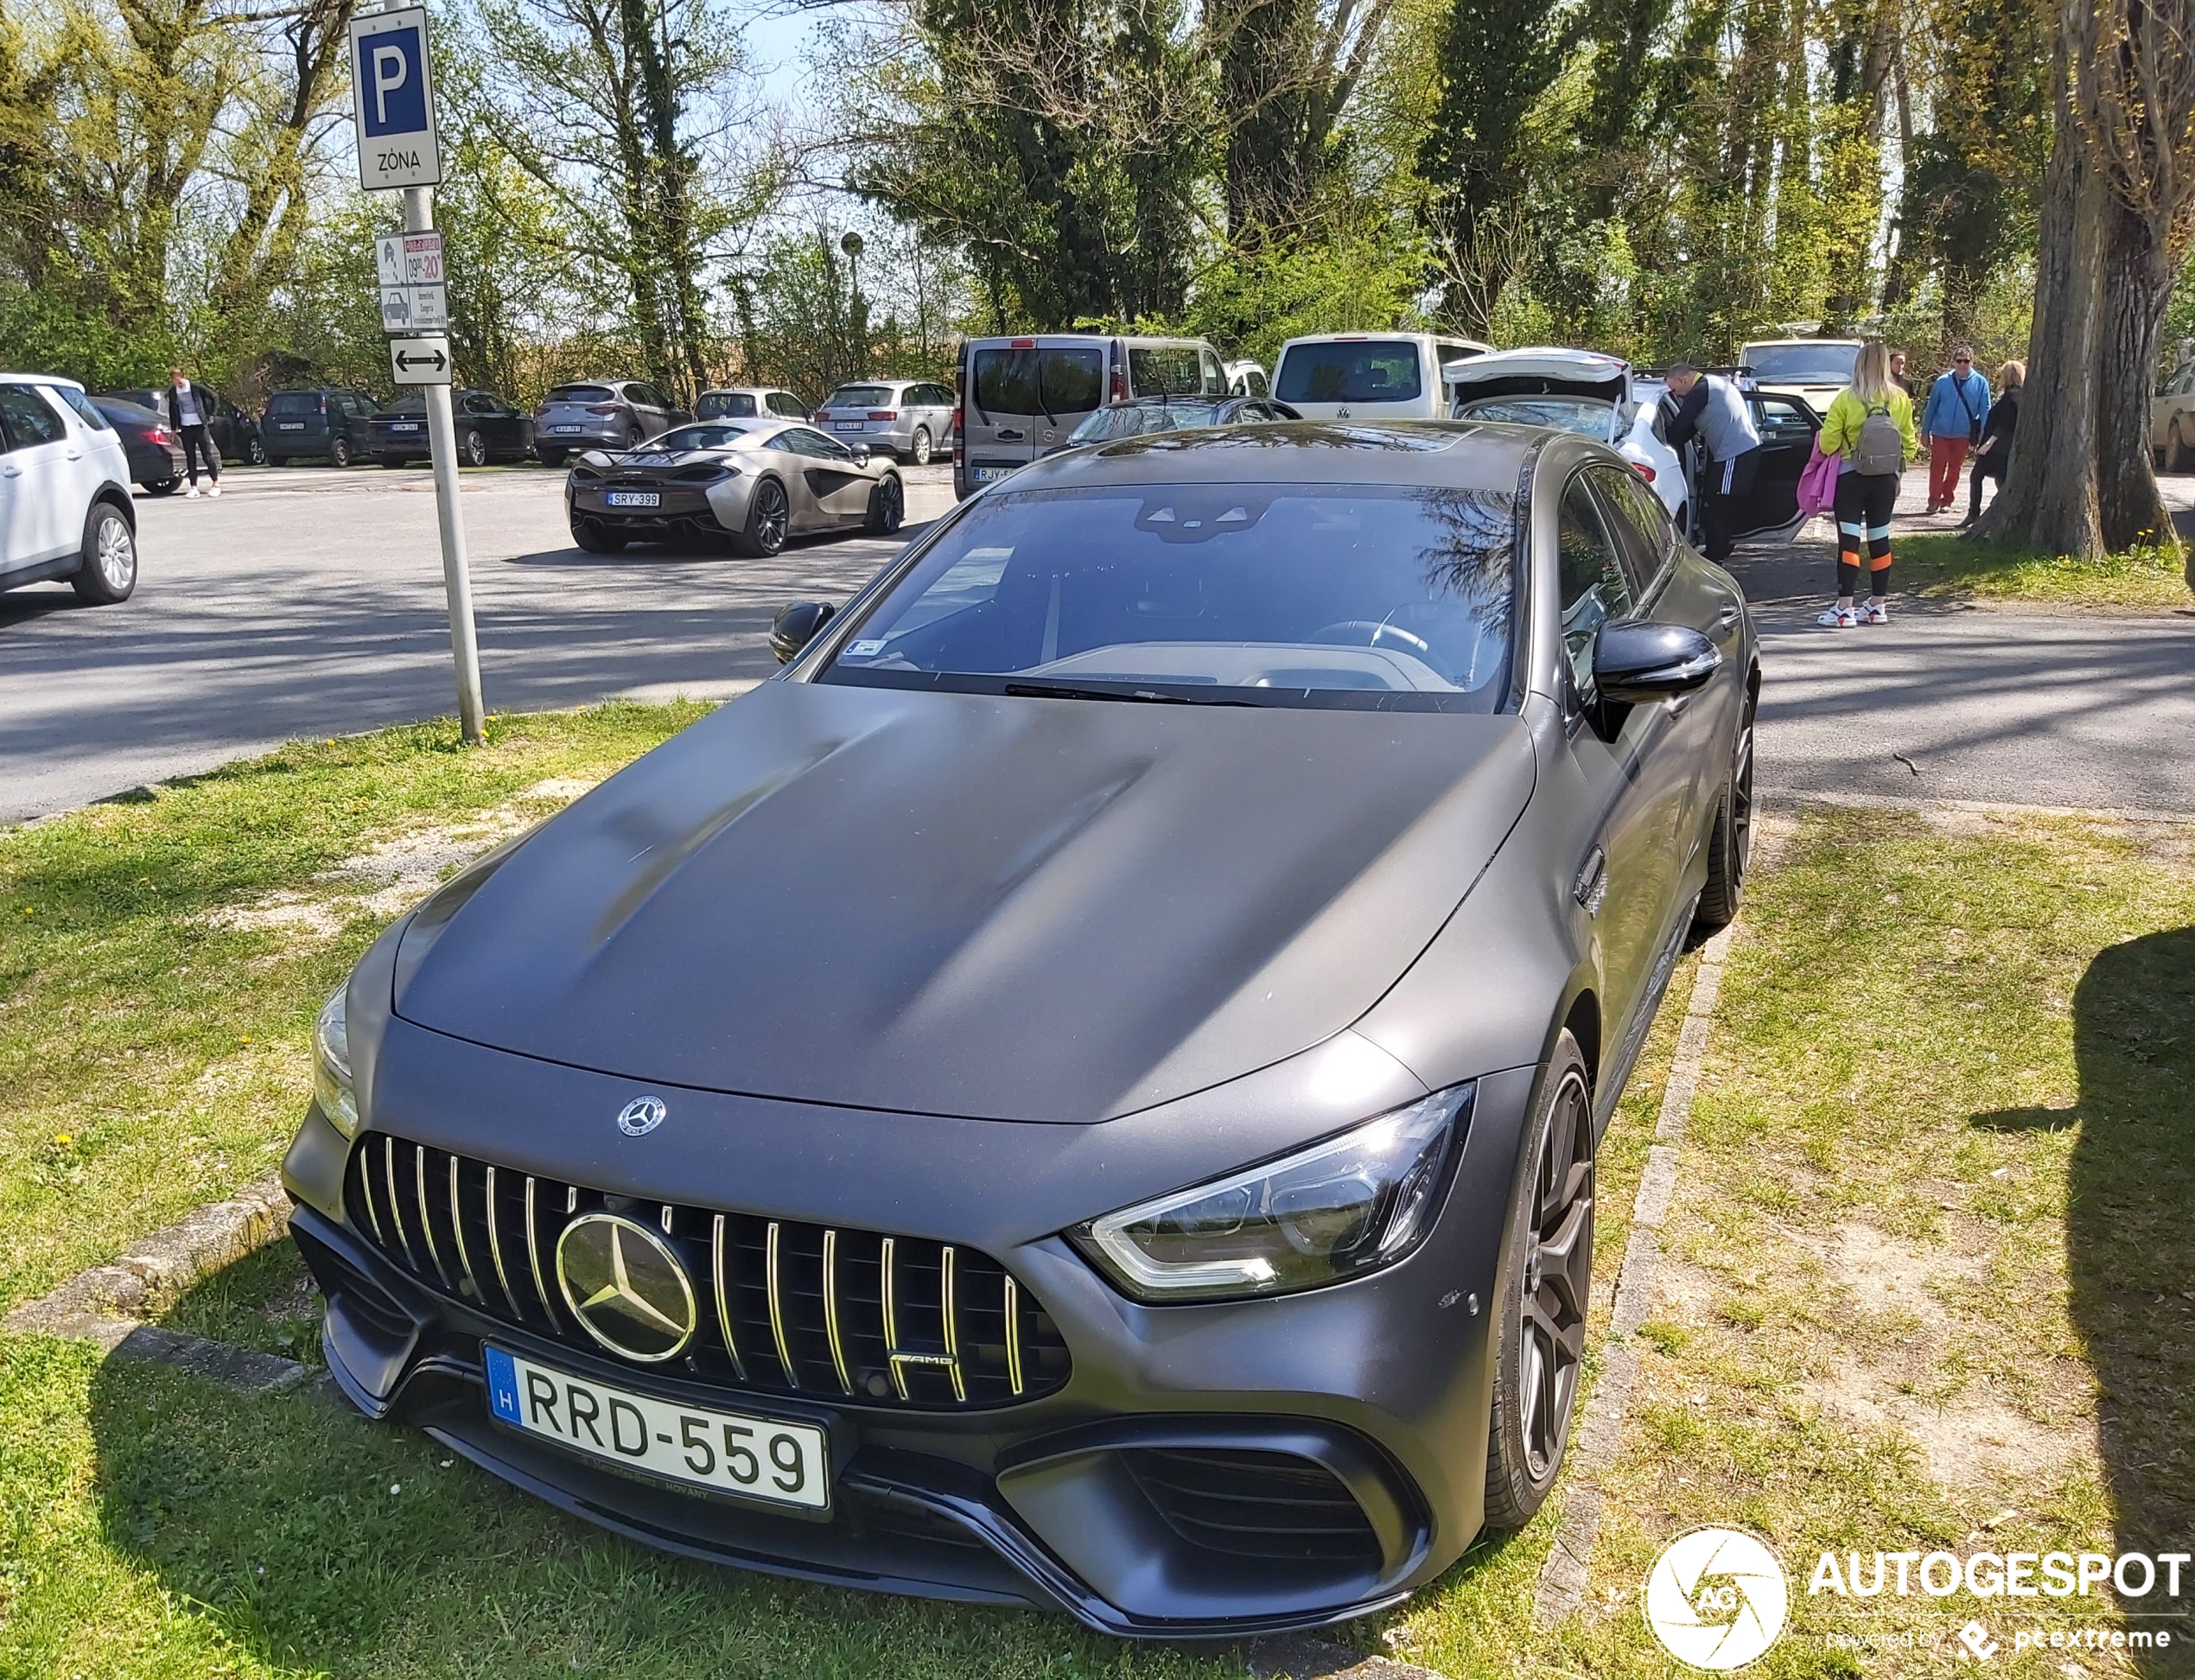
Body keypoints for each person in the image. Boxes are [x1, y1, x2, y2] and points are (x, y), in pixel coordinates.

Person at [1815, 339, 1917, 627]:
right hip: (1885, 479)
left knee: (1849, 540)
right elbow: (1908, 442)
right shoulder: (1899, 399)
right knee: (1880, 539)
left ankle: (1844, 608)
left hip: (1851, 477)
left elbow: (1828, 442)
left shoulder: (1846, 399)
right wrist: (1898, 473)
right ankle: (1877, 606)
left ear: (1858, 365)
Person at [1663, 362, 1763, 563]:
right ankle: (1719, 552)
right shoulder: (1715, 384)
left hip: (1734, 454)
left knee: (1718, 508)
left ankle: (1715, 560)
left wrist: (1663, 440)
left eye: (1674, 389)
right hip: (1741, 452)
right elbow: (1688, 428)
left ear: (1683, 380)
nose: (1676, 395)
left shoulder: (1700, 391)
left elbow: (1679, 428)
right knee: (1719, 506)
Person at [1920, 345, 1990, 513]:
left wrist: (1984, 435)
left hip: (1963, 433)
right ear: (1953, 362)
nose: (1962, 365)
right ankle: (1934, 500)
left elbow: (1985, 409)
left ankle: (1947, 500)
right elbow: (1931, 408)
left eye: (1966, 361)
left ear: (1972, 362)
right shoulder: (1942, 382)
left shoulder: (1980, 383)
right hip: (1940, 432)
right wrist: (1925, 432)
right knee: (1937, 466)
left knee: (1954, 468)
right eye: (1959, 361)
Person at [1962, 360, 2023, 527]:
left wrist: (1988, 443)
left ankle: (1974, 513)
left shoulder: (2011, 398)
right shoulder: (2020, 396)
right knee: (2000, 480)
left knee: (1978, 476)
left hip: (1998, 448)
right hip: (2006, 448)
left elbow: (2006, 424)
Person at [165, 367, 221, 499]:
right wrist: (174, 429)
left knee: (206, 455)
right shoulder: (173, 392)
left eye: (180, 379)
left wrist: (211, 414)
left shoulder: (195, 387)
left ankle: (215, 484)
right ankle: (194, 487)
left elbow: (214, 397)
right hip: (186, 427)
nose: (178, 383)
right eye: (175, 380)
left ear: (184, 376)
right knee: (190, 458)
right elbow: (172, 410)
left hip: (200, 425)